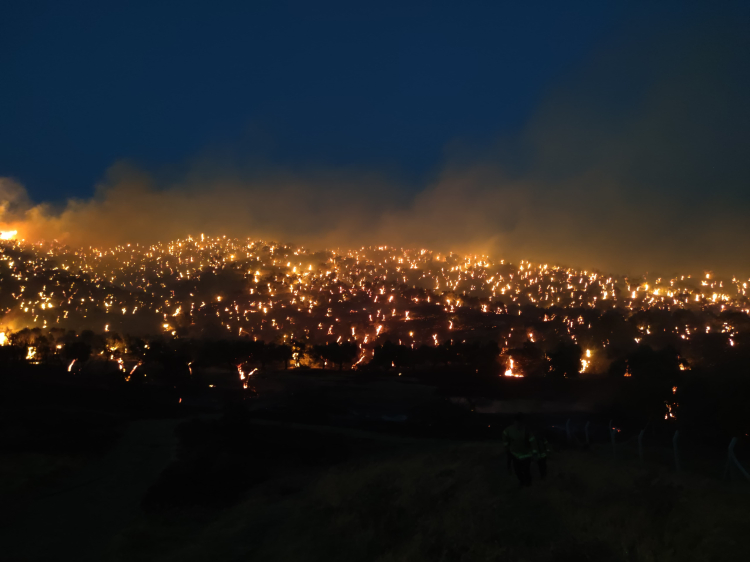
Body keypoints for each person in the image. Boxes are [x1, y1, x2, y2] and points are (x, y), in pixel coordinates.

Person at [502, 413, 537, 487]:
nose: (518, 424)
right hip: (515, 455)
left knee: (526, 470)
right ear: (514, 421)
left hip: (526, 455)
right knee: (517, 471)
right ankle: (522, 482)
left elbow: (532, 441)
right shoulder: (508, 430)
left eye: (519, 422)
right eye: (516, 422)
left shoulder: (527, 431)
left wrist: (534, 453)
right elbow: (505, 440)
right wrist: (507, 449)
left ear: (522, 422)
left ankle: (528, 482)